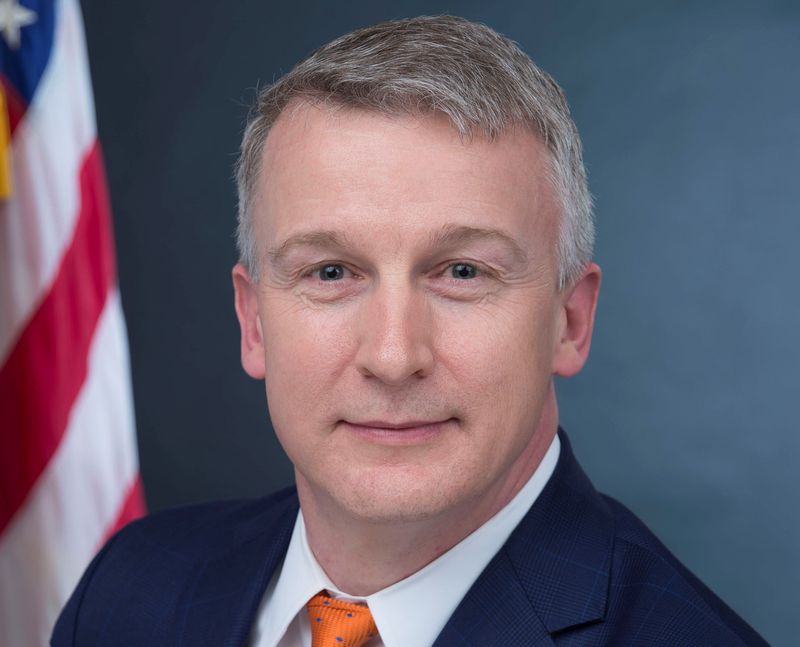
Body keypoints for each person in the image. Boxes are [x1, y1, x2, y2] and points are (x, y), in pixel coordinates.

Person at [52, 15, 766, 647]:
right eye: (331, 273)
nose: (394, 357)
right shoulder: (128, 592)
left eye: (461, 272)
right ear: (254, 322)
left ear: (569, 321)